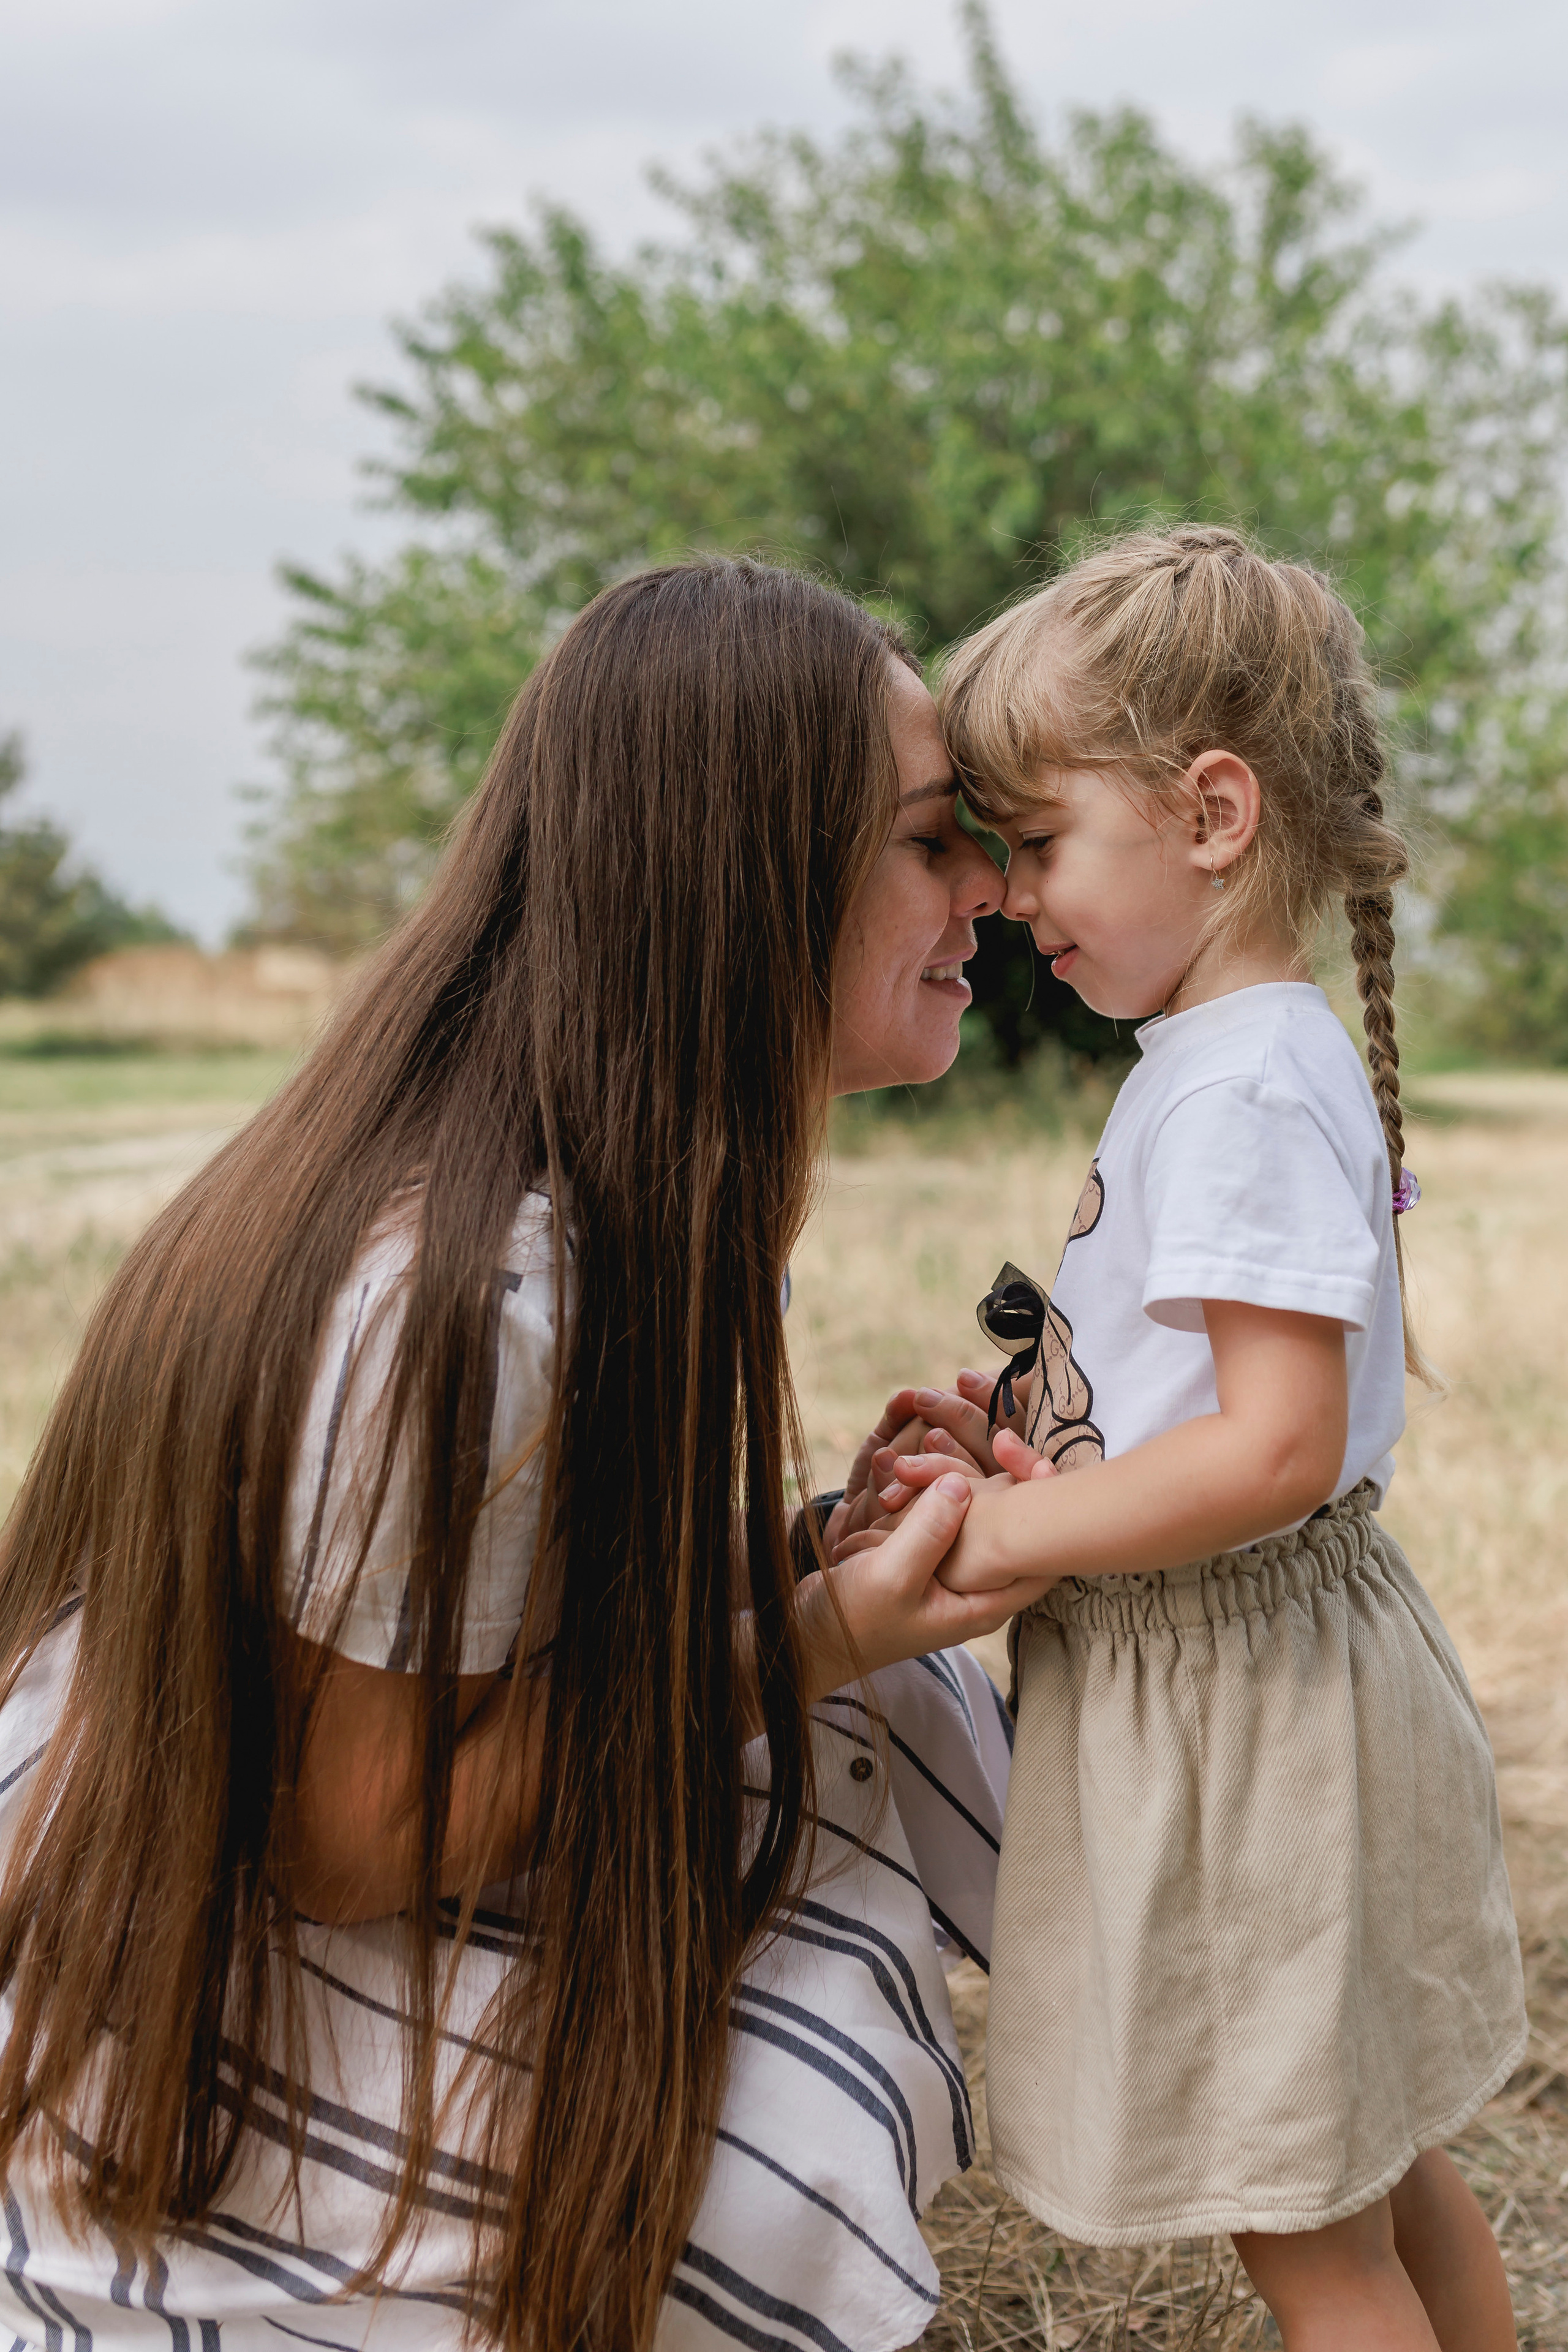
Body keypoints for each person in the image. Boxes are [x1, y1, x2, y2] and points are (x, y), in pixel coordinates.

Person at [0, 559, 1045, 2350]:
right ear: (742, 873)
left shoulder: (633, 1180)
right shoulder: (486, 1297)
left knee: (879, 1744)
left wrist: (796, 1553)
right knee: (789, 2103)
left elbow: (527, 1625)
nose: (994, 889)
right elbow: (346, 1839)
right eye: (932, 838)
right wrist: (821, 1633)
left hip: (244, 1845)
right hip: (184, 1962)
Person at [843, 528, 1527, 2349]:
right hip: (1283, 1676)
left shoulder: (1237, 1087)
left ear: (1214, 814)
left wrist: (1007, 1539)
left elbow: (1274, 1450)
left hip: (1241, 1715)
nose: (1006, 897)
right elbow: (1180, 1377)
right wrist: (1026, 1428)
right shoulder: (1231, 1060)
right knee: (1372, 2170)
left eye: (1037, 842)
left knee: (1305, 2229)